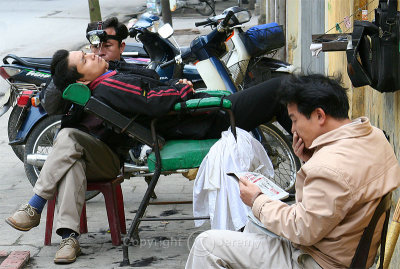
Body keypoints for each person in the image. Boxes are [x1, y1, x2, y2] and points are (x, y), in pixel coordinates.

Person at [4, 49, 288, 264]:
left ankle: (51, 221)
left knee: (69, 157)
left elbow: (150, 87)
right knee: (283, 90)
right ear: (82, 78)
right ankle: (48, 217)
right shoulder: (106, 86)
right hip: (199, 118)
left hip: (107, 151)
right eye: (86, 59)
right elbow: (154, 101)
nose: (93, 54)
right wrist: (183, 87)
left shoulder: (110, 77)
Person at [185, 74, 400, 269]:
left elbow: (302, 230)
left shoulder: (328, 166)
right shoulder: (374, 137)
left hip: (318, 261)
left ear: (319, 116)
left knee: (207, 245)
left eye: (295, 120)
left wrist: (257, 200)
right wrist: (309, 159)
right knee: (253, 226)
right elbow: (337, 194)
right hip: (343, 248)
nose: (293, 129)